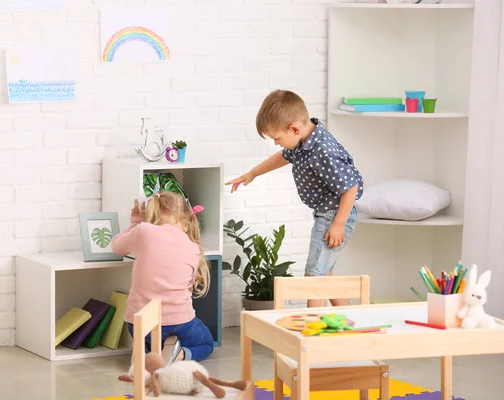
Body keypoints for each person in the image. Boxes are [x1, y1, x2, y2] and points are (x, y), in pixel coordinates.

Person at [226, 89, 364, 308]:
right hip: (326, 214)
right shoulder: (303, 140)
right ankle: (354, 322)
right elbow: (282, 157)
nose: (276, 143)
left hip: (334, 215)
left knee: (314, 278)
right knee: (325, 274)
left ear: (294, 129)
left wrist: (338, 223)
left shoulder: (322, 150)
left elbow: (351, 186)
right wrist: (252, 173)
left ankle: (310, 335)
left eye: (277, 138)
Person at [111, 191, 214, 365]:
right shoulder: (193, 248)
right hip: (180, 323)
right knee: (207, 342)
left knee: (148, 335)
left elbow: (117, 247)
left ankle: (144, 350)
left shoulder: (143, 231)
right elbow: (188, 286)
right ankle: (179, 354)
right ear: (185, 224)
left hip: (139, 324)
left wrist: (135, 223)